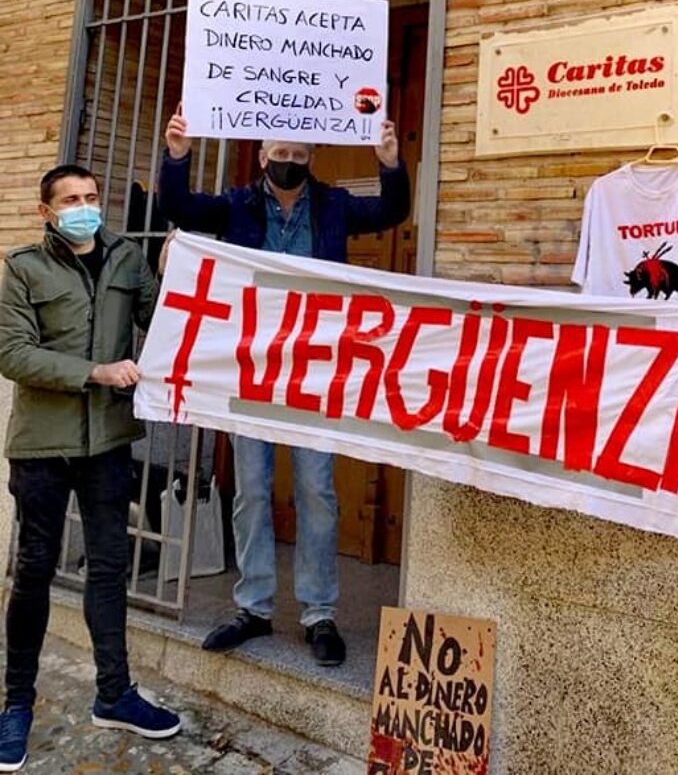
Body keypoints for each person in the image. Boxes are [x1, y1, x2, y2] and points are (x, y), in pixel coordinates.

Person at [159, 106, 411, 667]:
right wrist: (177, 155)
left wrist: (390, 163)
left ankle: (319, 613)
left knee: (317, 491)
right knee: (251, 488)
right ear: (262, 155)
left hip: (315, 372)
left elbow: (392, 210)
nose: (290, 163)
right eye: (281, 155)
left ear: (312, 159)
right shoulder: (235, 205)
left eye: (300, 156)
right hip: (251, 368)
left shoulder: (335, 206)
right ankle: (253, 607)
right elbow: (178, 207)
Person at [0, 164, 181, 772]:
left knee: (108, 571)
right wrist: (94, 372)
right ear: (47, 211)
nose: (85, 206)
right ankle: (16, 704)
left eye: (92, 197)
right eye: (71, 199)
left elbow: (163, 326)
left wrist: (177, 275)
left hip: (108, 440)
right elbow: (13, 353)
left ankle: (115, 694)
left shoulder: (127, 258)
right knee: (34, 570)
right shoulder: (24, 267)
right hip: (42, 446)